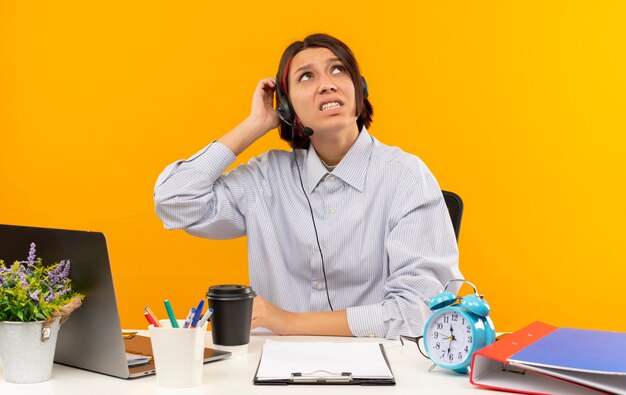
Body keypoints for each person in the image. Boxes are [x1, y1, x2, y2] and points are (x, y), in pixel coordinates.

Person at [153, 33, 462, 339]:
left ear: (359, 89)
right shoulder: (266, 178)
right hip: (275, 369)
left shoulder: (405, 177)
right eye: (306, 76)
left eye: (338, 70)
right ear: (287, 108)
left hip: (380, 367)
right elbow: (174, 201)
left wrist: (287, 322)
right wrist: (254, 124)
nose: (327, 83)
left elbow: (419, 312)